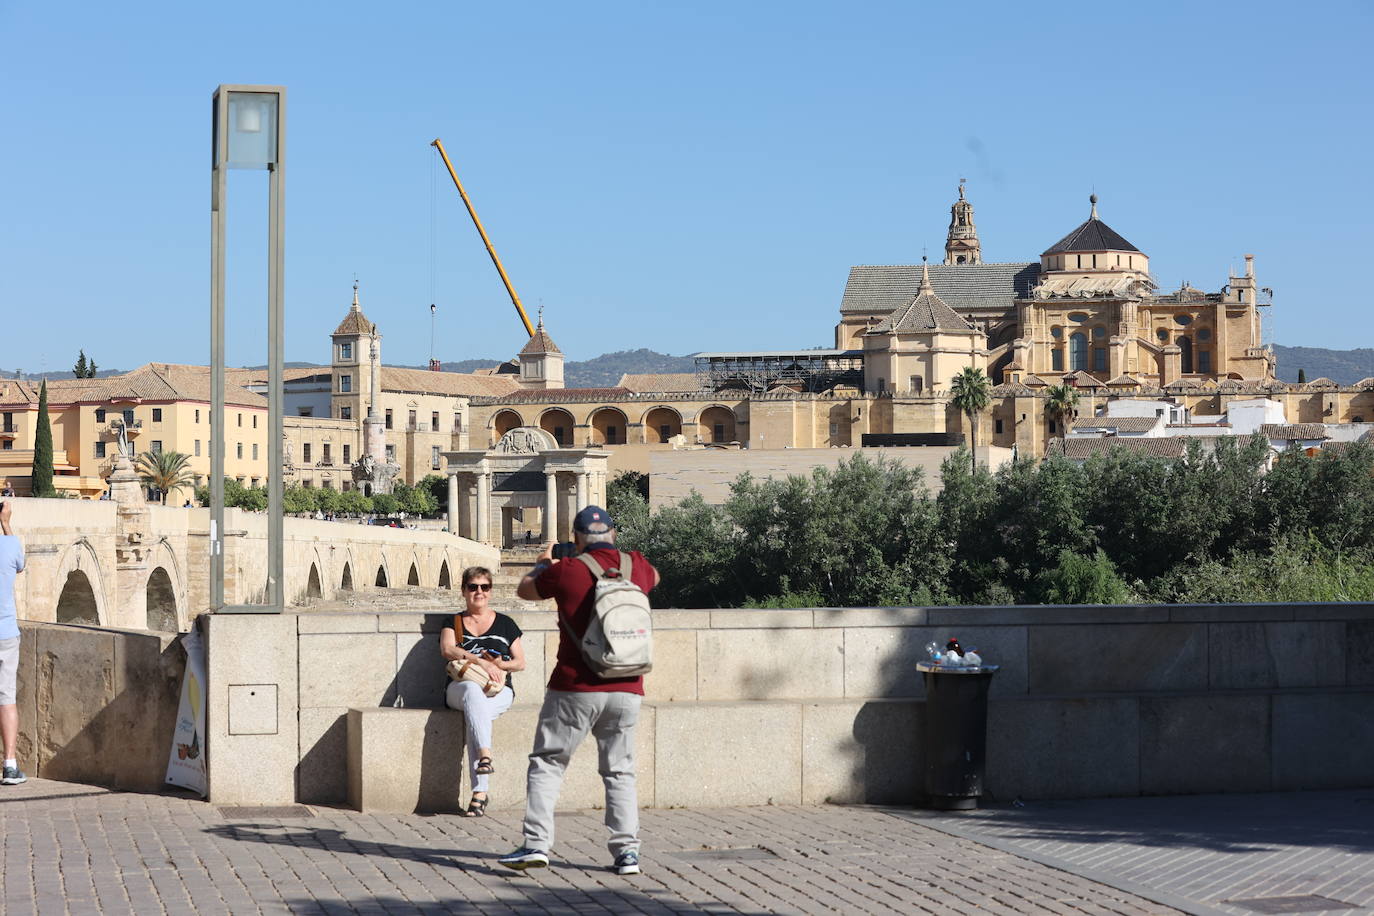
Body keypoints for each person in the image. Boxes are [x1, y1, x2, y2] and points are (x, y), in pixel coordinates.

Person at [498, 505, 659, 877]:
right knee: (620, 771)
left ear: (577, 538)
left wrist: (544, 562)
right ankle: (627, 853)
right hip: (628, 685)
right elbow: (657, 577)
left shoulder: (567, 570)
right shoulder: (636, 566)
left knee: (548, 763)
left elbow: (525, 591)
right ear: (614, 535)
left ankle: (537, 845)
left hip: (574, 685)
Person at [439, 566, 525, 817]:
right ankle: (485, 755)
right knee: (472, 694)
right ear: (464, 591)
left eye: (484, 587)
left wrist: (499, 664)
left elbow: (520, 662)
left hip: (499, 690)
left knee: (477, 716)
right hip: (460, 688)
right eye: (473, 587)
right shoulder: (452, 622)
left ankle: (480, 794)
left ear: (490, 591)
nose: (479, 592)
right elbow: (447, 650)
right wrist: (481, 662)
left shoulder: (506, 624)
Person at [0, 501, 26, 785]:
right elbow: (20, 565)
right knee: (6, 698)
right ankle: (9, 765)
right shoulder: (9, 546)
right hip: (5, 632)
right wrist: (6, 524)